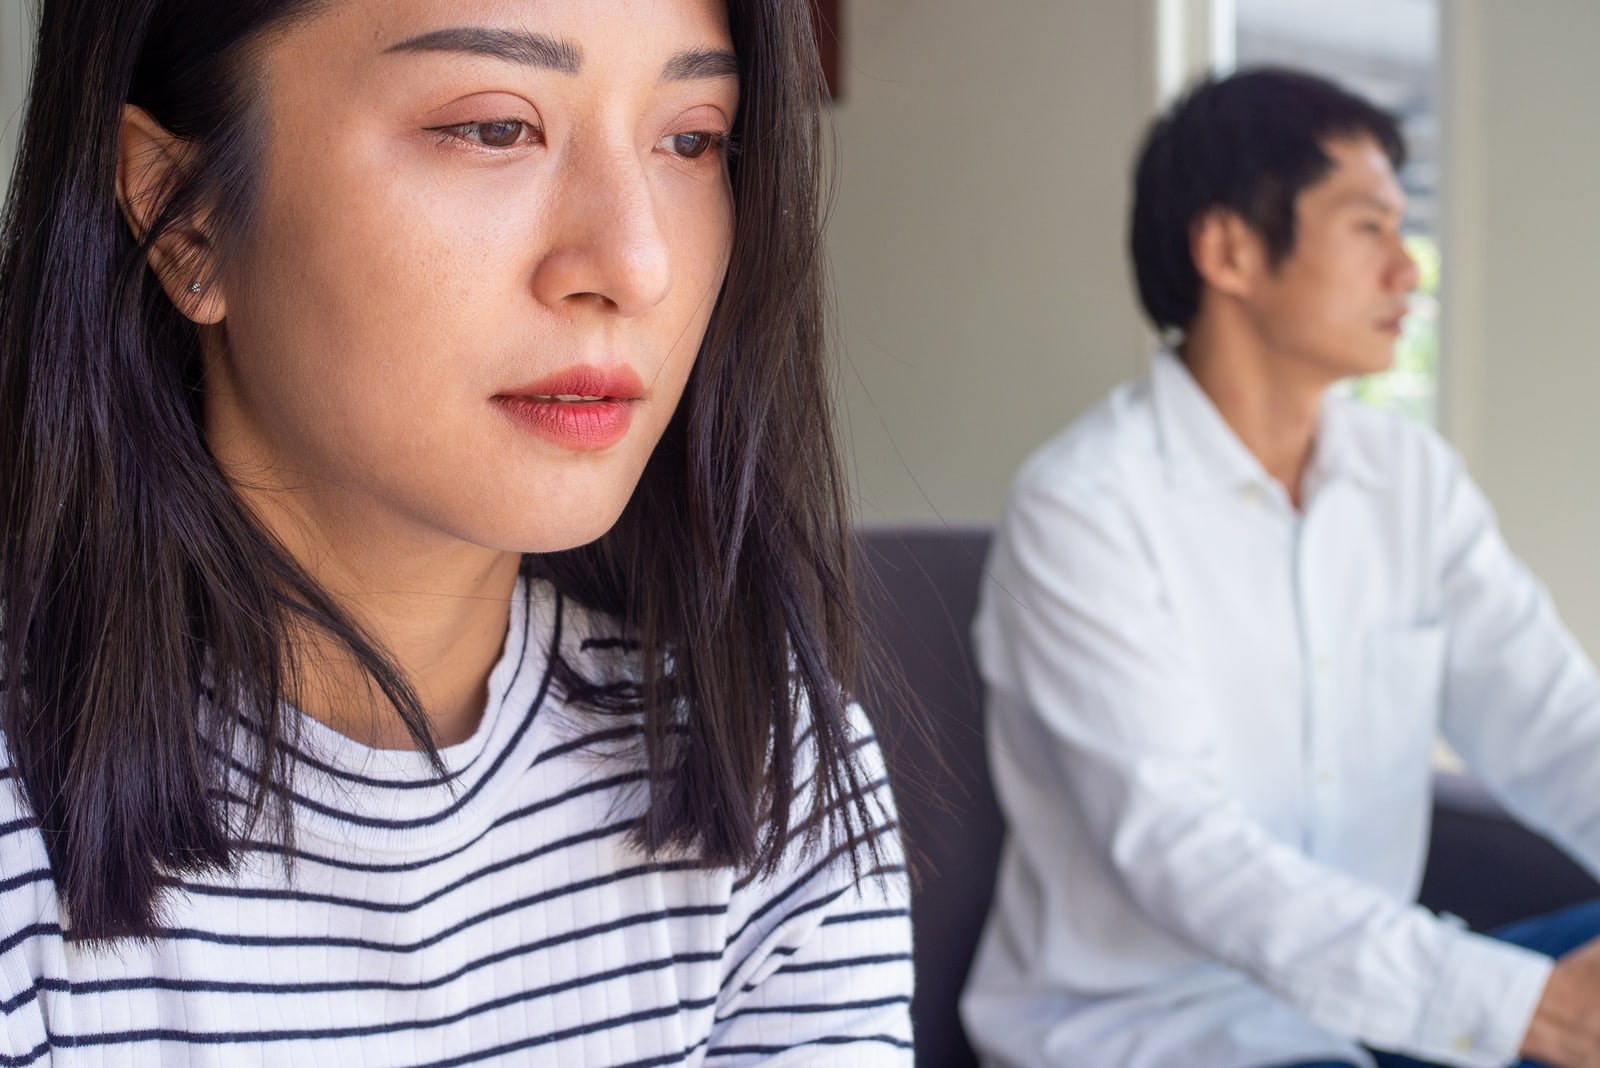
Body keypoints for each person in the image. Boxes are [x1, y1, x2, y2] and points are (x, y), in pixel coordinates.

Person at [0, 1, 913, 1064]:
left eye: (690, 138)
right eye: (492, 128)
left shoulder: (766, 760)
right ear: (184, 210)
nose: (635, 263)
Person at [961, 67, 1600, 1068]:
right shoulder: (1083, 508)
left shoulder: (1408, 479)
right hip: (1160, 1036)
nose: (1407, 270)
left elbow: (1554, 722)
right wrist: (1531, 1011)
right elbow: (1186, 854)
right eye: (1368, 228)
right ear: (1229, 250)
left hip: (1371, 1013)